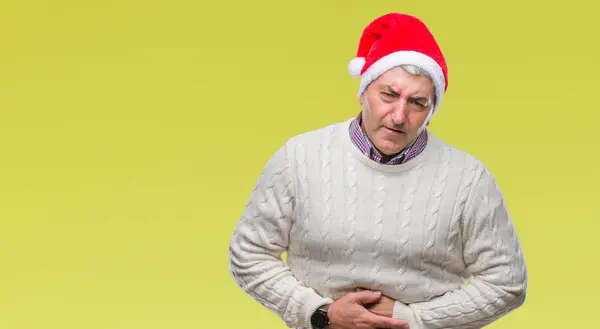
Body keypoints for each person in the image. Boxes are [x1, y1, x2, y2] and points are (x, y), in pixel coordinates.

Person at [228, 12, 527, 329]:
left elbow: (507, 283)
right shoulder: (299, 158)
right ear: (363, 92)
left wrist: (411, 320)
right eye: (388, 95)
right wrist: (320, 314)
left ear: (431, 111)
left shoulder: (468, 180)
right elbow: (248, 255)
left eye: (417, 102)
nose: (399, 115)